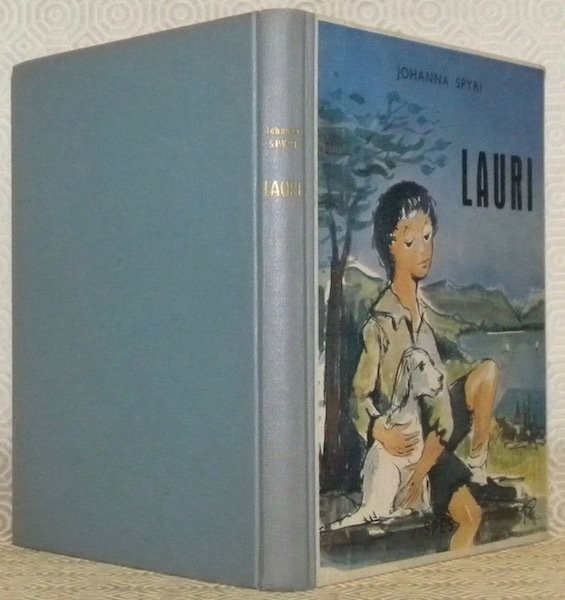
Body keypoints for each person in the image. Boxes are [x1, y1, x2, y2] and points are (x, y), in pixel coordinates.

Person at [350, 180, 499, 550]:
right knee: (470, 517)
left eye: (428, 236)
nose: (424, 250)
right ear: (390, 246)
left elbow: (442, 413)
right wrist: (379, 430)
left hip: (434, 437)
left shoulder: (425, 322)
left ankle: (478, 466)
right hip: (405, 445)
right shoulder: (379, 325)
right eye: (410, 241)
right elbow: (358, 397)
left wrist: (428, 460)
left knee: (488, 373)